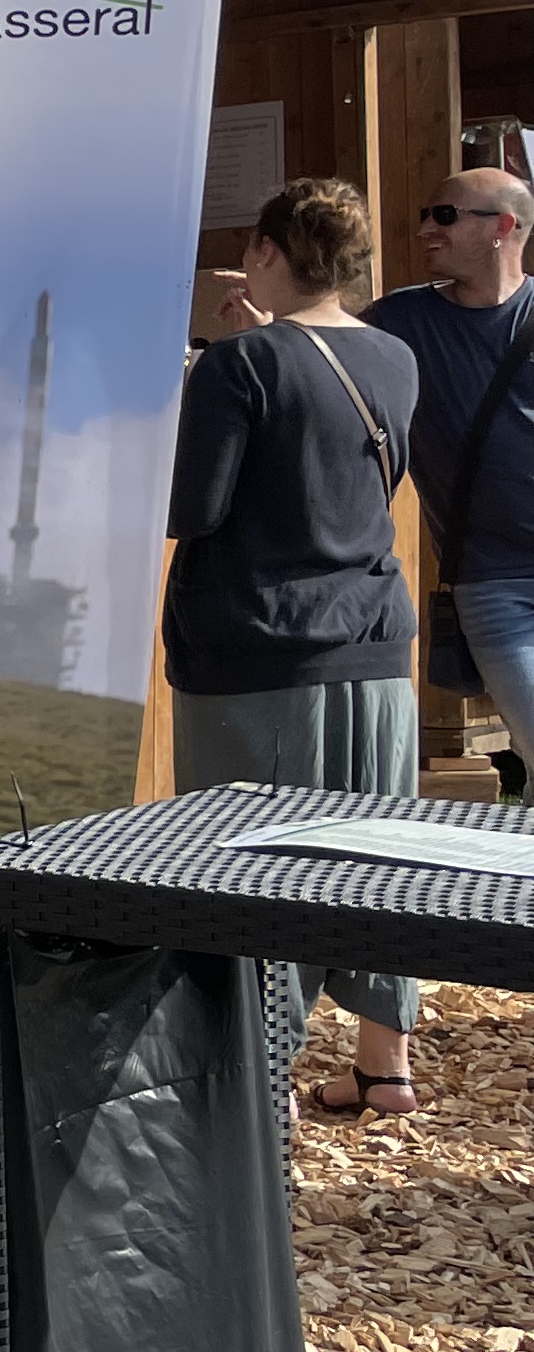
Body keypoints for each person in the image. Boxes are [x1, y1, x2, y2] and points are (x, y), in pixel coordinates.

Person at [175, 179, 426, 1112]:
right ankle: (384, 1065)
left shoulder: (237, 367)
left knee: (251, 868)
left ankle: (259, 1080)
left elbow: (191, 508)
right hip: (374, 647)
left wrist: (217, 369)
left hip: (260, 650)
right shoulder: (395, 356)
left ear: (270, 251)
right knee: (381, 859)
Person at [366, 167, 534, 776]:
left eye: (444, 216)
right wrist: (270, 336)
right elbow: (328, 367)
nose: (423, 230)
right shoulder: (398, 322)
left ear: (503, 228)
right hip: (494, 583)